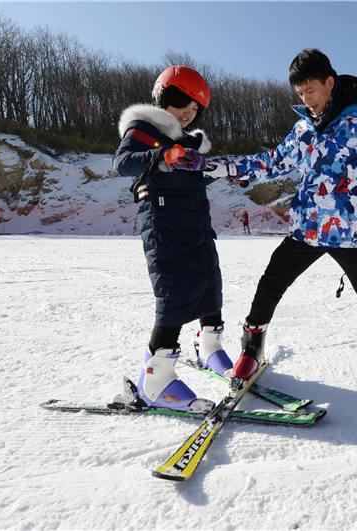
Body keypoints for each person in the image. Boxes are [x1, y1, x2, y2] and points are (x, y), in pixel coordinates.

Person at [212, 49, 357, 408]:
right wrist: (231, 169)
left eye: (309, 90)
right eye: (299, 94)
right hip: (306, 229)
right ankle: (252, 345)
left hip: (350, 232)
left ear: (329, 82)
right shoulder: (303, 129)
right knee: (271, 284)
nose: (305, 100)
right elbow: (275, 162)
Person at [112, 65, 233, 412]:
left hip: (195, 222)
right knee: (175, 293)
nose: (189, 111)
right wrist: (162, 155)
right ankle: (156, 381)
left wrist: (221, 175)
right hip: (164, 224)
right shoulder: (144, 130)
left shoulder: (186, 142)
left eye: (195, 108)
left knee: (210, 281)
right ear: (164, 96)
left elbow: (191, 178)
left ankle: (211, 347)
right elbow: (122, 163)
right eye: (183, 102)